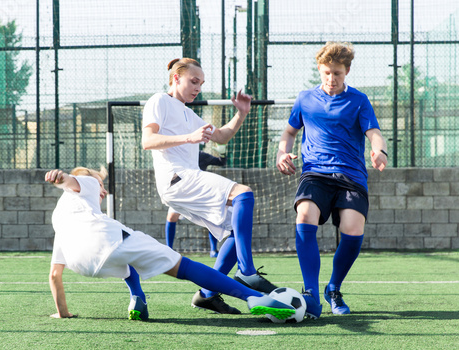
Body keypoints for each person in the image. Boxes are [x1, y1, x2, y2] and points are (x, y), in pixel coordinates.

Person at [45, 167, 295, 321]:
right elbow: (69, 180)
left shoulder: (60, 218)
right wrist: (61, 177)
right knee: (183, 267)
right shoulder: (85, 182)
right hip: (104, 238)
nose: (103, 191)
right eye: (101, 185)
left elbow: (55, 275)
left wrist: (63, 313)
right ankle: (253, 297)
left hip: (83, 263)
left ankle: (137, 298)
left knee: (126, 256)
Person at [142, 57, 277, 314]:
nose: (198, 88)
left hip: (185, 180)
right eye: (193, 81)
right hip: (177, 177)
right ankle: (247, 271)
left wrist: (241, 113)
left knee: (235, 232)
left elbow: (222, 136)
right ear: (175, 78)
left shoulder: (190, 114)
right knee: (243, 194)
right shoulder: (159, 101)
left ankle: (207, 294)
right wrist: (188, 137)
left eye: (201, 84)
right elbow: (147, 140)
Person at [276, 42, 388, 319]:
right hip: (315, 172)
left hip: (350, 175)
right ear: (319, 70)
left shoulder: (359, 100)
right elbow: (289, 132)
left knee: (352, 230)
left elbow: (373, 132)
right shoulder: (305, 99)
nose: (331, 79)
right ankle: (311, 294)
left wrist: (379, 151)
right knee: (304, 216)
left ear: (347, 71)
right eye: (326, 72)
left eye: (337, 73)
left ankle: (333, 289)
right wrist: (282, 153)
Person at [165, 150, 226, 257]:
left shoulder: (202, 155)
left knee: (211, 218)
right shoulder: (180, 154)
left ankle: (213, 250)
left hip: (199, 192)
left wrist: (222, 150)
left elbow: (221, 162)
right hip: (182, 192)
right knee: (171, 217)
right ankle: (169, 249)